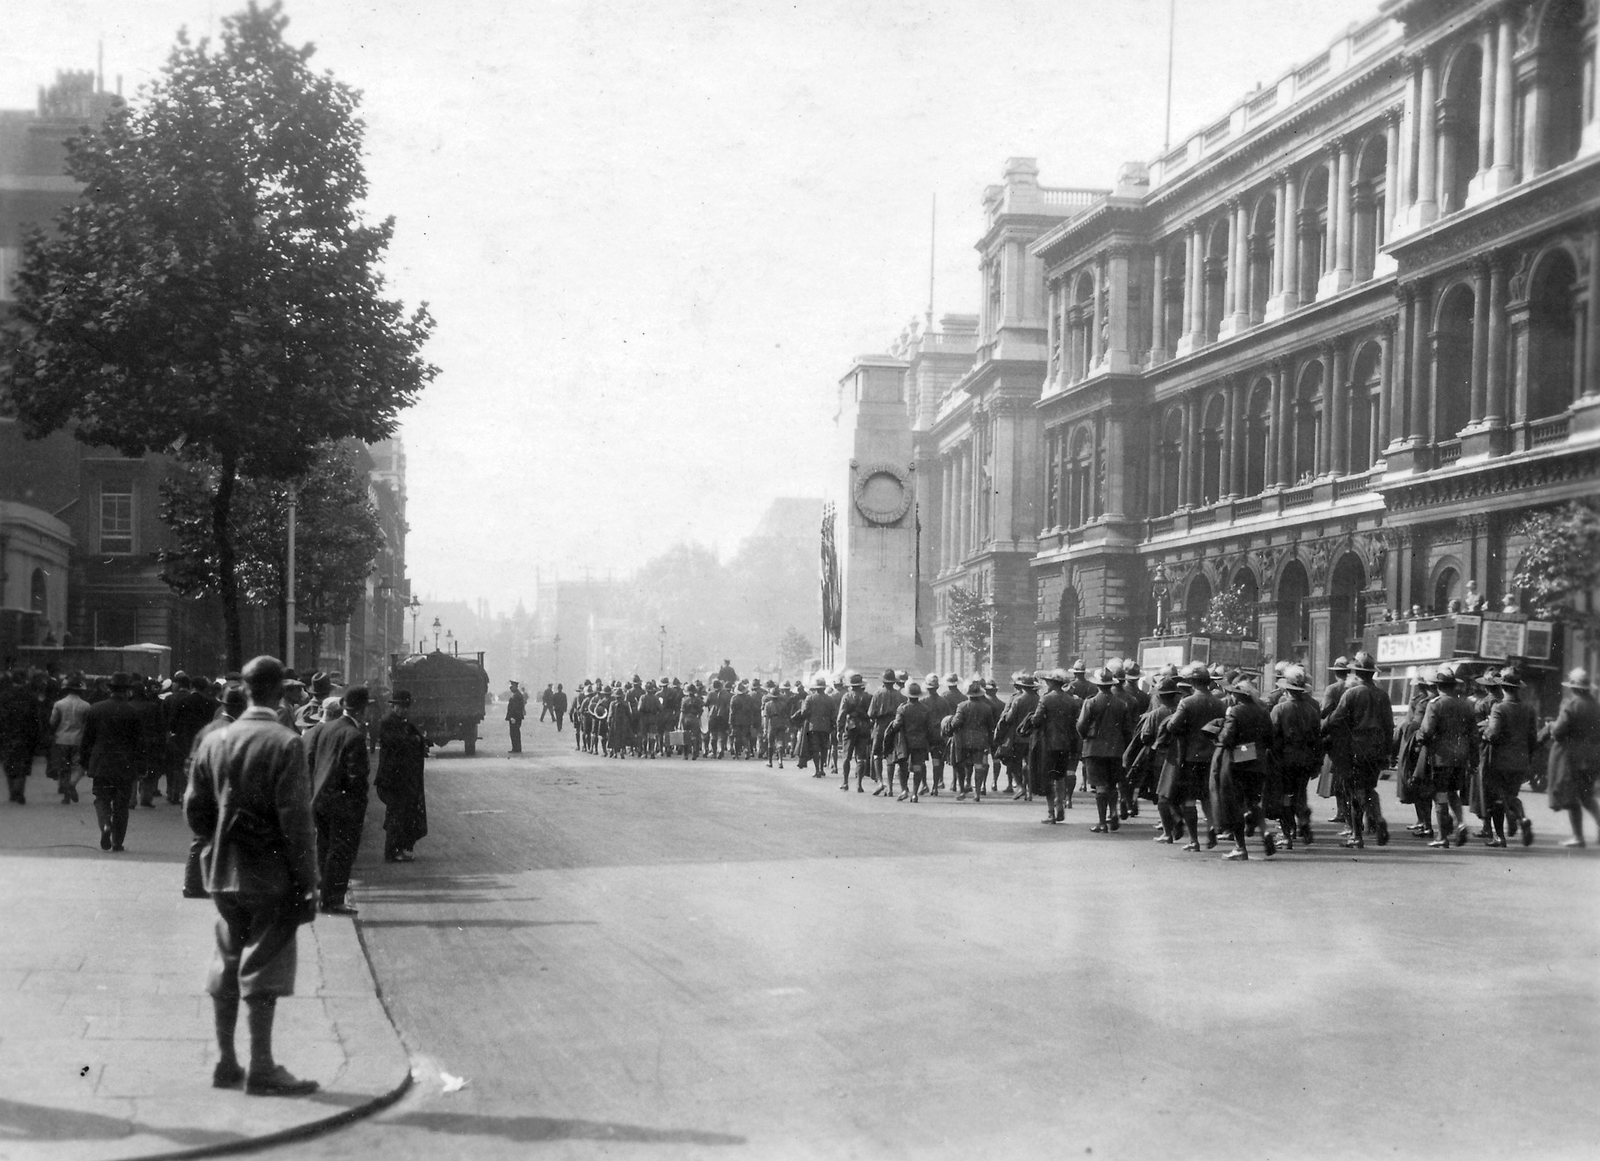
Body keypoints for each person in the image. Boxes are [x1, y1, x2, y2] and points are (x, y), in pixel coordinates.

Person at [184, 655, 320, 1096]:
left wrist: (219, 841)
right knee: (264, 964)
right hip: (272, 872)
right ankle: (261, 1066)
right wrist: (307, 879)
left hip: (223, 871)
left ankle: (226, 1062)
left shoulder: (215, 740)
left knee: (226, 959)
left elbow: (195, 810)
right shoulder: (285, 743)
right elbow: (296, 819)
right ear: (280, 690)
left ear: (243, 690)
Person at [306, 688, 371, 915]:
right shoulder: (354, 736)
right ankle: (333, 900)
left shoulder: (324, 728)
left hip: (319, 800)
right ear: (362, 711)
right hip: (342, 803)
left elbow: (312, 762)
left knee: (324, 849)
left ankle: (324, 897)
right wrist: (360, 804)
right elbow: (357, 777)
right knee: (341, 852)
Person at [184, 683, 249, 898]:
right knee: (215, 838)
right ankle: (200, 883)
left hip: (200, 785)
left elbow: (191, 760)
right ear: (240, 709)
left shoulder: (209, 727)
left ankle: (193, 884)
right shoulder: (232, 731)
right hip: (219, 788)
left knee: (201, 837)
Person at [1325, 651, 1392, 849]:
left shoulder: (1352, 693)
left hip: (1356, 748)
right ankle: (1377, 818)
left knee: (1354, 791)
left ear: (1357, 672)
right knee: (1369, 787)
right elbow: (1389, 727)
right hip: (1377, 749)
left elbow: (1336, 719)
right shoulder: (1382, 695)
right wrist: (1388, 752)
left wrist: (1320, 727)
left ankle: (1356, 835)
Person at [1156, 663, 1226, 851]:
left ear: (1193, 682)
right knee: (1207, 796)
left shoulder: (1187, 703)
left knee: (1188, 799)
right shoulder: (1220, 703)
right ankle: (1212, 826)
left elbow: (1172, 727)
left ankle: (1194, 840)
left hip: (1190, 756)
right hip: (1211, 755)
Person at [81, 673, 146, 850]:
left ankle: (105, 825)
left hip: (101, 763)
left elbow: (87, 739)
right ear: (127, 691)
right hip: (125, 764)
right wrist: (141, 765)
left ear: (110, 689)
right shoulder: (132, 712)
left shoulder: (95, 709)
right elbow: (139, 742)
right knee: (121, 805)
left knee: (101, 799)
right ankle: (118, 842)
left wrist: (84, 762)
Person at [1214, 678, 1276, 859]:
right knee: (1253, 802)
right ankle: (1264, 830)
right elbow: (1270, 739)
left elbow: (1227, 738)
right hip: (1258, 762)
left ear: (1238, 695)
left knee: (1235, 805)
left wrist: (1217, 735)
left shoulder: (1234, 711)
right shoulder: (1263, 712)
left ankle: (1240, 847)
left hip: (1237, 762)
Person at [1417, 665, 1476, 849]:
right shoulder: (1466, 705)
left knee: (1440, 795)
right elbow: (1473, 734)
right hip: (1460, 757)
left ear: (1438, 686)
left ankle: (1442, 836)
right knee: (1453, 793)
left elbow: (1426, 731)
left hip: (1440, 757)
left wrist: (1417, 737)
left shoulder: (1435, 704)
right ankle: (1460, 823)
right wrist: (1473, 759)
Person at [1481, 668, 1539, 848]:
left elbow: (1493, 734)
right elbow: (1532, 737)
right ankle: (1523, 818)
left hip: (1500, 761)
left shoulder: (1499, 708)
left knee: (1497, 798)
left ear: (1504, 688)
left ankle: (1499, 837)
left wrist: (1484, 730)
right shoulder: (1528, 709)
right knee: (1512, 795)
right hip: (1520, 760)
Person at [1545, 668, 1600, 847]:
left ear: (1573, 688)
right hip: (1592, 756)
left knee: (1570, 796)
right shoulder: (1595, 706)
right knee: (1587, 796)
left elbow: (1559, 730)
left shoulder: (1571, 705)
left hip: (1572, 757)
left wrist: (1551, 726)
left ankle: (1578, 836)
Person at [374, 690, 430, 862]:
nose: (404, 710)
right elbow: (399, 742)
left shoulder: (400, 722)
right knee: (396, 815)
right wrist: (415, 741)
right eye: (401, 706)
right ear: (393, 705)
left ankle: (398, 849)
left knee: (401, 814)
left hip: (401, 779)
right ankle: (392, 852)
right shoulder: (388, 722)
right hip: (392, 779)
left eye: (406, 706)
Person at [1269, 668, 1321, 847]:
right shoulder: (1312, 710)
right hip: (1305, 759)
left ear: (1286, 690)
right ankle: (1304, 821)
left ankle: (1287, 834)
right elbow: (1317, 739)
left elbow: (1272, 736)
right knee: (1300, 794)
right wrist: (1316, 763)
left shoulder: (1279, 709)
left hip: (1285, 760)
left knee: (1285, 796)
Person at [1078, 666, 1133, 833]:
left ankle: (1102, 822)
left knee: (1100, 786)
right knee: (1112, 784)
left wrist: (1086, 737)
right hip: (1116, 750)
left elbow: (1081, 725)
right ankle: (1113, 813)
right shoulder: (1121, 704)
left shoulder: (1091, 702)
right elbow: (1127, 730)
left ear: (1097, 684)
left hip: (1094, 749)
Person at [1027, 669, 1080, 823]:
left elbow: (1036, 720)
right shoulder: (1071, 700)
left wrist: (1032, 720)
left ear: (1051, 683)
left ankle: (1051, 812)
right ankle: (1061, 805)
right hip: (1066, 743)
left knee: (1048, 777)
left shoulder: (1046, 699)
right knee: (1061, 776)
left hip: (1048, 744)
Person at [944, 679, 996, 802]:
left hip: (963, 741)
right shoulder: (987, 708)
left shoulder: (962, 706)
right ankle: (977, 793)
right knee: (978, 766)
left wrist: (949, 725)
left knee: (960, 765)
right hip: (980, 741)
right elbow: (991, 726)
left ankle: (962, 790)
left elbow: (956, 723)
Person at [887, 680, 935, 801]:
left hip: (904, 742)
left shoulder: (903, 708)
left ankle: (904, 790)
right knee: (918, 766)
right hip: (920, 742)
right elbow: (930, 727)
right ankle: (915, 793)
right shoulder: (925, 709)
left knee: (902, 766)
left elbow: (897, 724)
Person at [48, 676, 91, 804]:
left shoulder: (59, 704)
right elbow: (88, 724)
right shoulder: (86, 705)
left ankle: (66, 795)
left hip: (61, 739)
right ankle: (72, 784)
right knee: (79, 766)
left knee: (63, 767)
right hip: (78, 739)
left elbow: (52, 721)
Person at [836, 672, 872, 790]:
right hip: (864, 728)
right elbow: (871, 713)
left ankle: (845, 782)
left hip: (850, 727)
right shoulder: (868, 696)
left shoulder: (847, 696)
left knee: (847, 756)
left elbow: (842, 714)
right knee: (861, 757)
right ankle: (859, 784)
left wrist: (839, 729)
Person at [505, 681, 527, 754]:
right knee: (514, 733)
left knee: (515, 733)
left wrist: (513, 717)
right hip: (515, 717)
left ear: (515, 686)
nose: (511, 687)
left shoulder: (517, 695)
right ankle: (515, 747)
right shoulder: (516, 694)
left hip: (515, 717)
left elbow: (516, 707)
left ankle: (516, 748)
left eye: (512, 686)